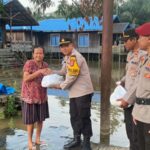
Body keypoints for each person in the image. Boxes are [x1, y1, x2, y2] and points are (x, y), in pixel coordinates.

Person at [52, 37, 94, 150]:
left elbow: (72, 77)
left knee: (84, 116)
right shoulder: (67, 57)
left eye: (66, 45)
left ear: (72, 45)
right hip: (74, 93)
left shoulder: (75, 57)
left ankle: (86, 142)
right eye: (62, 46)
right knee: (74, 116)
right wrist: (51, 72)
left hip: (83, 92)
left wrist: (60, 86)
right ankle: (76, 139)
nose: (64, 48)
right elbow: (63, 72)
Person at [119, 23, 150, 150]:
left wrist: (127, 99)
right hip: (138, 108)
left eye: (141, 36)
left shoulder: (143, 56)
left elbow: (139, 85)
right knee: (135, 140)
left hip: (145, 112)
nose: (139, 39)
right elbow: (139, 82)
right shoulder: (145, 59)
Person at [21, 46, 51, 150]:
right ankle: (30, 142)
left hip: (42, 96)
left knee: (40, 119)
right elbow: (26, 78)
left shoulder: (45, 65)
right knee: (30, 121)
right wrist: (39, 72)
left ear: (43, 54)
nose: (38, 55)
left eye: (40, 53)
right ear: (33, 54)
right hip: (30, 97)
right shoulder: (29, 63)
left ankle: (38, 139)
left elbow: (47, 81)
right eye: (36, 53)